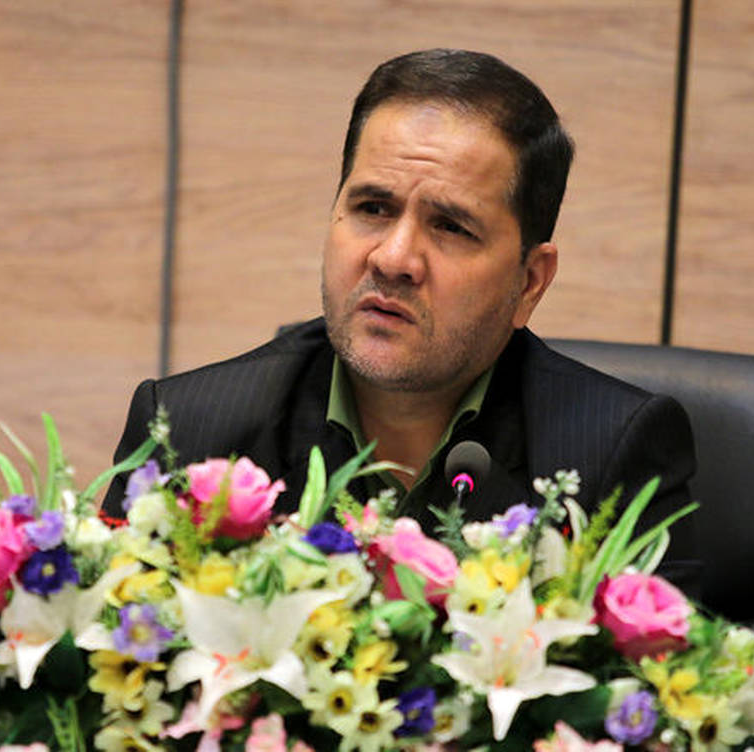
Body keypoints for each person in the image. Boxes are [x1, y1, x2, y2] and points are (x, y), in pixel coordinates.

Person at [102, 49, 698, 588]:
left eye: (451, 227)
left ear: (529, 282)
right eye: (372, 208)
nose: (393, 259)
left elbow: (668, 669)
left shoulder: (609, 454)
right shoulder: (189, 430)